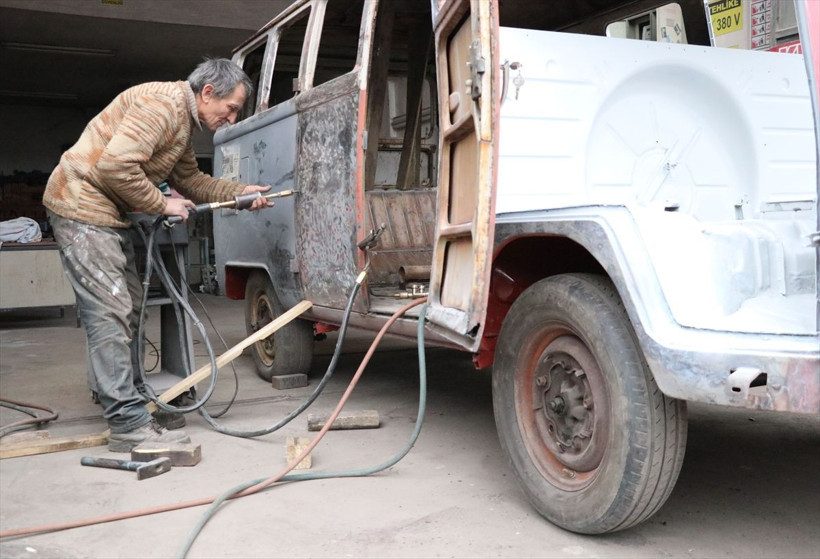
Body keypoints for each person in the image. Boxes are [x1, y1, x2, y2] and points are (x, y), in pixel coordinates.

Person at [43, 58, 272, 452]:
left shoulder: (183, 124)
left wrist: (239, 194)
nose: (231, 118)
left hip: (108, 216)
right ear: (206, 93)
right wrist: (161, 204)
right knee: (110, 311)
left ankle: (133, 405)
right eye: (230, 107)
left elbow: (190, 180)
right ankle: (126, 423)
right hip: (81, 207)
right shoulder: (163, 106)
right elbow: (116, 167)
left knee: (129, 306)